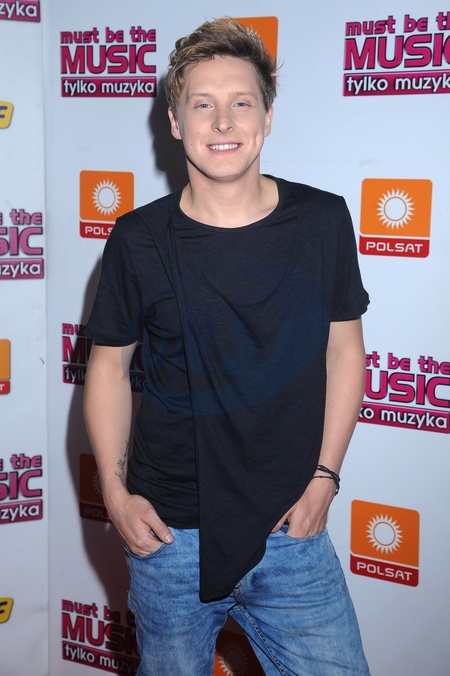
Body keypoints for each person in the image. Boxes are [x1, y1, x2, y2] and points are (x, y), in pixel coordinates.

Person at [84, 17, 370, 675]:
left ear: (267, 118)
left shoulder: (323, 221)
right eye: (202, 104)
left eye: (241, 102)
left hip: (291, 531)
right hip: (168, 538)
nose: (222, 122)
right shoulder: (137, 238)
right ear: (175, 121)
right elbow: (108, 368)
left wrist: (325, 479)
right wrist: (115, 494)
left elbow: (344, 352)